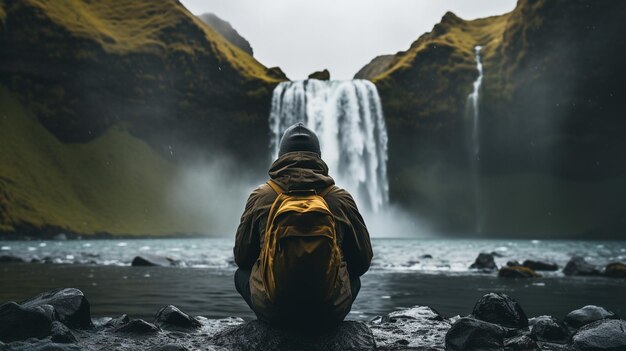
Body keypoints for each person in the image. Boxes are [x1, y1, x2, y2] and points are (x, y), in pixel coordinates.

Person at [233, 122, 373, 329]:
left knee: (240, 275)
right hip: (329, 311)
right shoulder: (340, 198)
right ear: (318, 156)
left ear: (280, 156)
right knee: (355, 279)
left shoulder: (261, 196)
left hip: (275, 311)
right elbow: (362, 261)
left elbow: (242, 257)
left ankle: (273, 319)